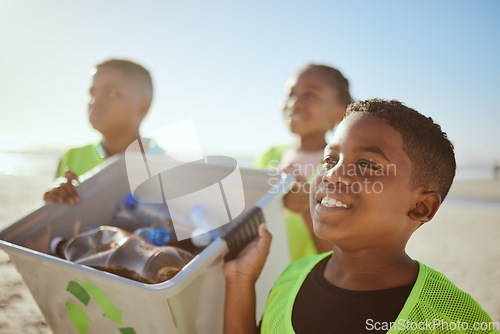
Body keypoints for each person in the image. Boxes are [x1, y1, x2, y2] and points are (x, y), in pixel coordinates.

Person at [224, 99, 499, 333]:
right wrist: (239, 279)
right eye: (329, 160)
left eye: (366, 165)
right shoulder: (290, 279)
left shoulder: (451, 317)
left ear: (422, 207)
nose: (331, 174)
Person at [255, 63, 353, 262]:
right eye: (290, 94)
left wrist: (308, 210)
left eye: (310, 95)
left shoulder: (339, 170)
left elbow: (339, 258)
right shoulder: (269, 155)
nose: (295, 102)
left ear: (339, 114)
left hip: (297, 285)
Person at [43, 58, 160, 205]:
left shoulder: (164, 167)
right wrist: (54, 199)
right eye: (92, 93)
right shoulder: (71, 159)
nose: (95, 101)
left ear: (142, 107)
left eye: (110, 93)